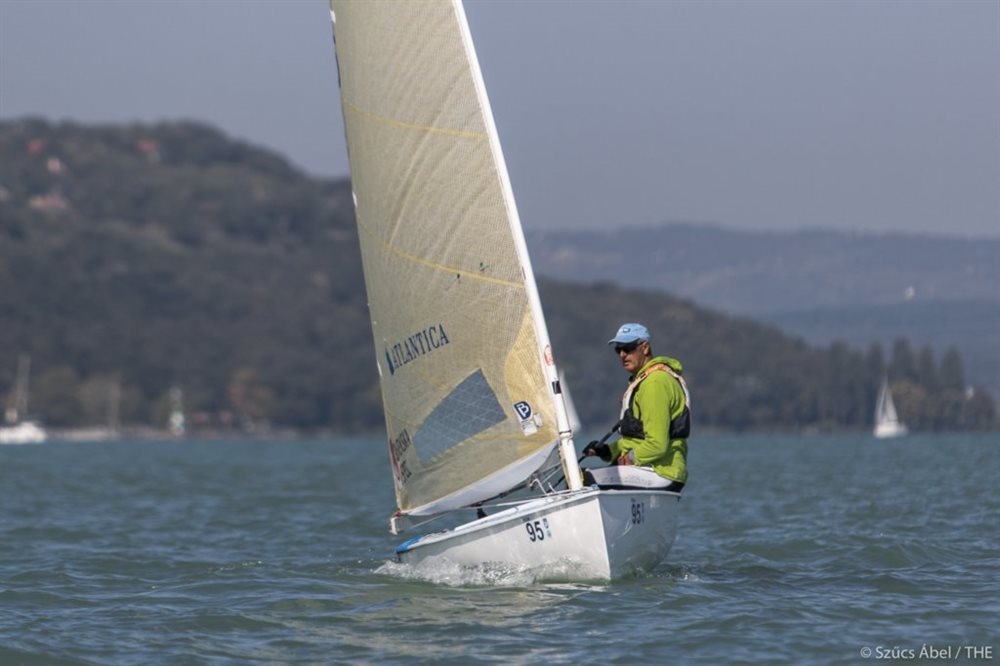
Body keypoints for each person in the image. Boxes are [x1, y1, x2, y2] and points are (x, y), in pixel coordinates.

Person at [582, 323, 690, 492]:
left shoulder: (655, 383)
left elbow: (657, 445)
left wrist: (630, 458)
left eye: (628, 348)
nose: (622, 354)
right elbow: (635, 440)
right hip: (649, 469)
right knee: (577, 477)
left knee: (582, 479)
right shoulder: (645, 381)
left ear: (645, 348)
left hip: (662, 472)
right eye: (618, 350)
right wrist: (607, 451)